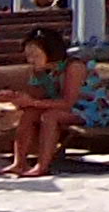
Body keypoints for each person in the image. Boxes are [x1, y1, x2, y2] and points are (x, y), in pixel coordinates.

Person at [7, 26, 80, 177]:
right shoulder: (41, 71)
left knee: (50, 116)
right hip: (62, 107)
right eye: (28, 56)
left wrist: (32, 102)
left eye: (35, 55)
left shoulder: (74, 67)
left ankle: (42, 165)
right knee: (29, 113)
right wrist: (17, 97)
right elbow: (37, 97)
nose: (30, 60)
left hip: (90, 110)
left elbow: (68, 102)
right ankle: (19, 162)